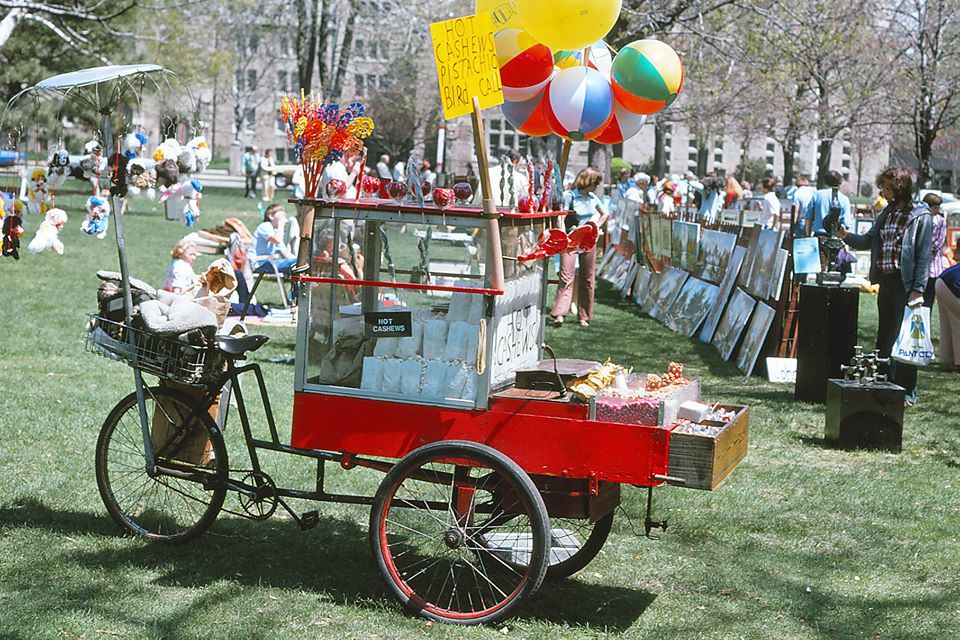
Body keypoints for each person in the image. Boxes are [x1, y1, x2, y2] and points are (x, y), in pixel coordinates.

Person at [839, 167, 933, 406]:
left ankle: (907, 392)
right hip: (887, 283)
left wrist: (918, 289)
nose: (883, 191)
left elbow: (923, 256)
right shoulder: (887, 213)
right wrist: (845, 235)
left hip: (907, 285)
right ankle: (885, 386)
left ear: (899, 188)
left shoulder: (921, 215)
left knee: (905, 341)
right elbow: (868, 240)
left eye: (887, 187)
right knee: (885, 337)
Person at [551, 168, 608, 328]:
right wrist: (562, 234)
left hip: (588, 241)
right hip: (570, 240)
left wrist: (595, 226)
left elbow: (605, 214)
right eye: (595, 183)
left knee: (588, 278)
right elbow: (561, 216)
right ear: (587, 181)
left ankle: (584, 316)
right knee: (566, 277)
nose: (596, 186)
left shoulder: (592, 198)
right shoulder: (570, 196)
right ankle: (559, 313)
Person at [804, 169, 853, 269]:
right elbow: (845, 225)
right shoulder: (844, 199)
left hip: (819, 238)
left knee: (819, 269)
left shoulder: (816, 195)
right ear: (840, 183)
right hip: (837, 240)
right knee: (835, 271)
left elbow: (808, 218)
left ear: (825, 181)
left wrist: (808, 237)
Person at [254, 204, 298, 301]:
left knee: (300, 266)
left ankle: (295, 298)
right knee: (297, 264)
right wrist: (281, 225)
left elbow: (286, 254)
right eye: (281, 214)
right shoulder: (265, 226)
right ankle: (295, 298)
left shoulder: (275, 231)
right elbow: (277, 240)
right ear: (271, 216)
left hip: (269, 263)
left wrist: (299, 260)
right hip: (260, 264)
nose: (284, 216)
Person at [922, 193, 948, 307]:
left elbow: (940, 240)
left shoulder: (940, 221)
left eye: (938, 207)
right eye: (935, 207)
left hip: (933, 264)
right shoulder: (921, 219)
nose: (937, 210)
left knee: (929, 297)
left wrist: (928, 248)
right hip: (920, 266)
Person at [935, 261, 960, 369]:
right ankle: (956, 362)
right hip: (953, 282)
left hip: (944, 279)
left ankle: (948, 359)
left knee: (950, 324)